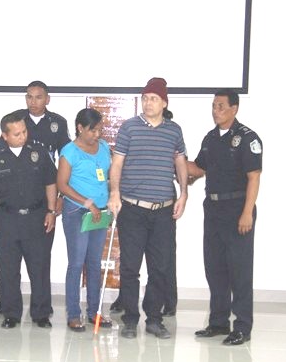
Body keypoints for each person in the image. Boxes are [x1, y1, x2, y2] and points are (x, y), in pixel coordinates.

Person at [107, 77, 188, 339]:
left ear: (164, 103)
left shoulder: (174, 131)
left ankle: (154, 319)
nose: (148, 103)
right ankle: (130, 320)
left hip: (164, 211)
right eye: (144, 98)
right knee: (130, 267)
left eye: (153, 99)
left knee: (160, 267)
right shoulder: (129, 127)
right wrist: (114, 192)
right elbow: (117, 163)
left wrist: (184, 193)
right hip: (133, 208)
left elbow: (180, 162)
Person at [187, 89, 262, 346]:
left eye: (220, 106)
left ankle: (242, 326)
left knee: (240, 271)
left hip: (238, 209)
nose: (216, 111)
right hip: (214, 210)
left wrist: (247, 213)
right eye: (213, 106)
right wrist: (175, 160)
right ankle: (218, 322)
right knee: (215, 268)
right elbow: (199, 168)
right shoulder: (210, 138)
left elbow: (254, 177)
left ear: (234, 108)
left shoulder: (247, 138)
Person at [0, 80, 70, 316]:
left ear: (47, 99)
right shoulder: (17, 120)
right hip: (13, 201)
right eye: (29, 96)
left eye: (38, 97)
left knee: (40, 260)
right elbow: (2, 155)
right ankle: (7, 303)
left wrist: (59, 197)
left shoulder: (57, 123)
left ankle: (41, 307)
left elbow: (66, 160)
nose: (33, 101)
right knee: (9, 262)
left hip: (43, 199)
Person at [0, 111, 57, 329]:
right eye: (17, 134)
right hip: (7, 218)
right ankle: (11, 313)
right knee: (8, 269)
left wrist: (51, 211)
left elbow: (50, 182)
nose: (23, 137)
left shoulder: (38, 151)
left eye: (24, 132)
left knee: (39, 268)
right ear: (5, 135)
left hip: (36, 217)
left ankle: (41, 313)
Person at [57, 108, 113, 332]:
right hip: (77, 212)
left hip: (100, 212)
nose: (97, 135)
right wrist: (87, 202)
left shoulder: (104, 147)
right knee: (76, 263)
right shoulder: (69, 152)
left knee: (94, 263)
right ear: (80, 128)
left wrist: (112, 197)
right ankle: (73, 314)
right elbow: (62, 185)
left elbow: (108, 175)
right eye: (92, 130)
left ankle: (94, 312)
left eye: (100, 130)